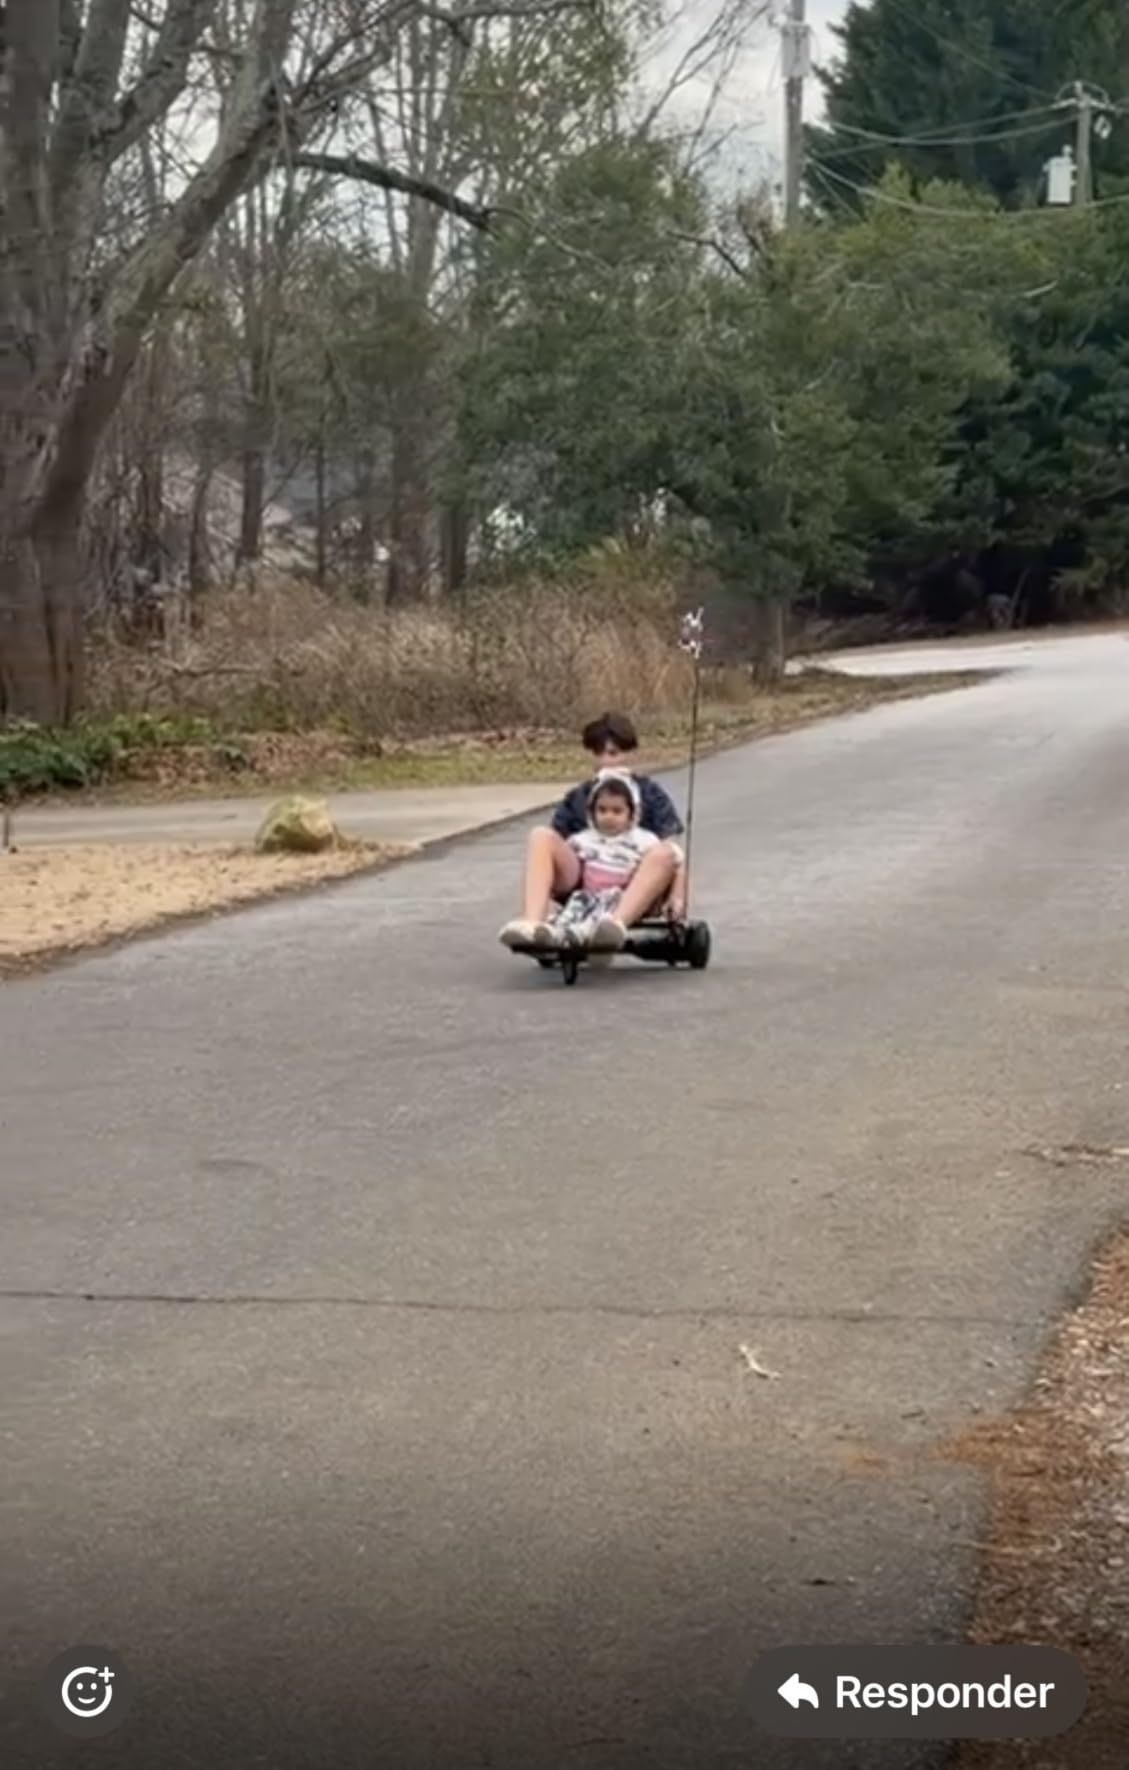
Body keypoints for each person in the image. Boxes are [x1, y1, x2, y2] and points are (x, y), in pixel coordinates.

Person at [498, 711, 685, 951]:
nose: (607, 761)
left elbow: (675, 856)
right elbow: (560, 849)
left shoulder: (650, 794)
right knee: (540, 836)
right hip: (585, 885)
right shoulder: (580, 796)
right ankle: (532, 923)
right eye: (599, 753)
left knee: (665, 852)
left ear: (631, 754)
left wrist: (677, 897)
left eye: (614, 753)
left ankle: (614, 925)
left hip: (636, 885)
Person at [551, 770, 661, 949]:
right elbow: (564, 860)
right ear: (592, 812)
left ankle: (592, 934)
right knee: (577, 903)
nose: (608, 817)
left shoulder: (644, 840)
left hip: (622, 895)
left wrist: (674, 897)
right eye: (602, 810)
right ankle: (562, 931)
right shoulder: (583, 839)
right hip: (589, 894)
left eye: (617, 811)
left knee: (608, 904)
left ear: (631, 814)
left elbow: (668, 863)